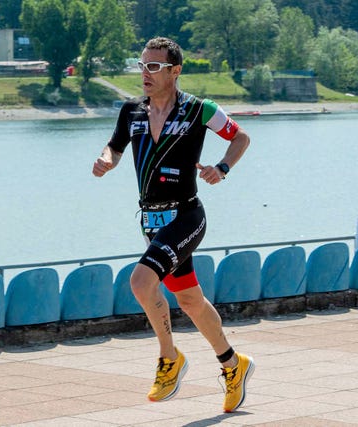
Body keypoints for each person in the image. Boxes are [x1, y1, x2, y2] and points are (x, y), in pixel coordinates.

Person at [92, 37, 253, 413]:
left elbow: (241, 136)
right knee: (190, 300)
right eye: (142, 65)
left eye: (154, 66)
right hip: (151, 220)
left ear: (175, 71)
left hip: (186, 216)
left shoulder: (200, 110)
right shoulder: (131, 110)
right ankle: (233, 364)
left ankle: (169, 358)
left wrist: (222, 167)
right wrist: (105, 160)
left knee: (140, 281)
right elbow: (114, 147)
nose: (145, 73)